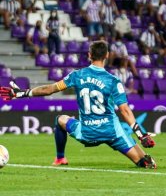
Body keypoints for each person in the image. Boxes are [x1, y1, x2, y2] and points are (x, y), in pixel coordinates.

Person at [0, 41, 156, 168]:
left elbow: (49, 89)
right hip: (112, 133)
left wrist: (22, 93)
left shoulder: (77, 75)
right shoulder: (113, 81)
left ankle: (60, 158)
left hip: (86, 133)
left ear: (89, 55)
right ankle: (143, 160)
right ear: (107, 56)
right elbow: (124, 110)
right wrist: (141, 135)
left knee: (60, 120)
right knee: (147, 163)